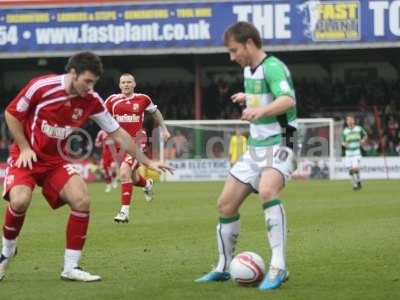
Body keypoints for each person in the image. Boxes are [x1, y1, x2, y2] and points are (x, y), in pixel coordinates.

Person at [0, 52, 172, 282]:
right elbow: (11, 113)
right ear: (73, 73)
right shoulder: (42, 86)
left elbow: (118, 134)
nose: (90, 87)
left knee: (82, 199)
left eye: (94, 82)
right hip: (27, 155)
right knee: (20, 200)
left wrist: (147, 161)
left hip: (56, 161)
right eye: (87, 81)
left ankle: (70, 268)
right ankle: (6, 252)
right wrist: (24, 147)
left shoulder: (91, 100)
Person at [195, 22, 297, 291]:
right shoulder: (247, 69)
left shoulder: (273, 66)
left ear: (249, 43)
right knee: (225, 204)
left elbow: (287, 100)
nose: (232, 56)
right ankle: (223, 266)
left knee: (267, 191)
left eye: (234, 50)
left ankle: (278, 265)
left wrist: (258, 111)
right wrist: (248, 98)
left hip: (283, 139)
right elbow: (265, 98)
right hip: (256, 145)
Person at [104, 73, 170, 223]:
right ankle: (147, 184)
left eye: (129, 82)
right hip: (120, 144)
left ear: (134, 84)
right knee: (132, 178)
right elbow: (101, 115)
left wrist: (164, 129)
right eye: (123, 82)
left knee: (124, 172)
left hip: (138, 141)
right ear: (119, 85)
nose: (126, 85)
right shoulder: (111, 101)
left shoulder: (143, 99)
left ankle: (124, 212)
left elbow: (156, 113)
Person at [341, 115, 367, 190]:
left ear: (353, 121)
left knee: (355, 168)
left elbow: (365, 135)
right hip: (348, 153)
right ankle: (355, 185)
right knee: (350, 170)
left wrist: (363, 140)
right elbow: (342, 141)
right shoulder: (345, 131)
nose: (348, 121)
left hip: (356, 152)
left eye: (350, 120)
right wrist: (343, 144)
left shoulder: (358, 128)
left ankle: (358, 181)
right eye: (347, 120)